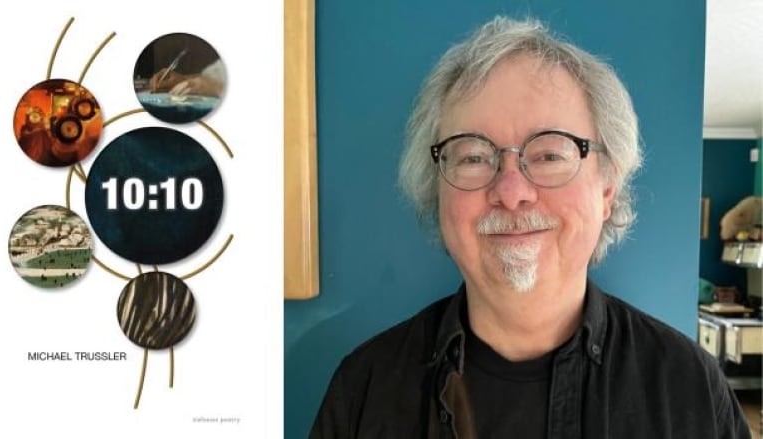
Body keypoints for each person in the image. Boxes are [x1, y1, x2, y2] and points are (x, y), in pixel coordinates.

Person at [310, 16, 751, 439]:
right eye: (472, 157)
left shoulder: (691, 389)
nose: (511, 190)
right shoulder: (364, 390)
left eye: (549, 154)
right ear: (436, 192)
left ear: (606, 191)